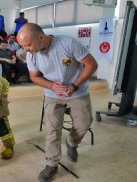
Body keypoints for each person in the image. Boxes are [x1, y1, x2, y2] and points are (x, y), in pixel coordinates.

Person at [17, 23, 98, 182]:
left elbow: (91, 64)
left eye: (28, 45)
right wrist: (51, 86)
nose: (25, 49)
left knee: (84, 123)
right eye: (23, 46)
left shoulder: (67, 43)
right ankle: (51, 164)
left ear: (41, 38)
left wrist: (74, 86)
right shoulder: (32, 54)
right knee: (52, 129)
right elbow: (34, 76)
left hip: (77, 91)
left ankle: (72, 143)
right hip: (52, 94)